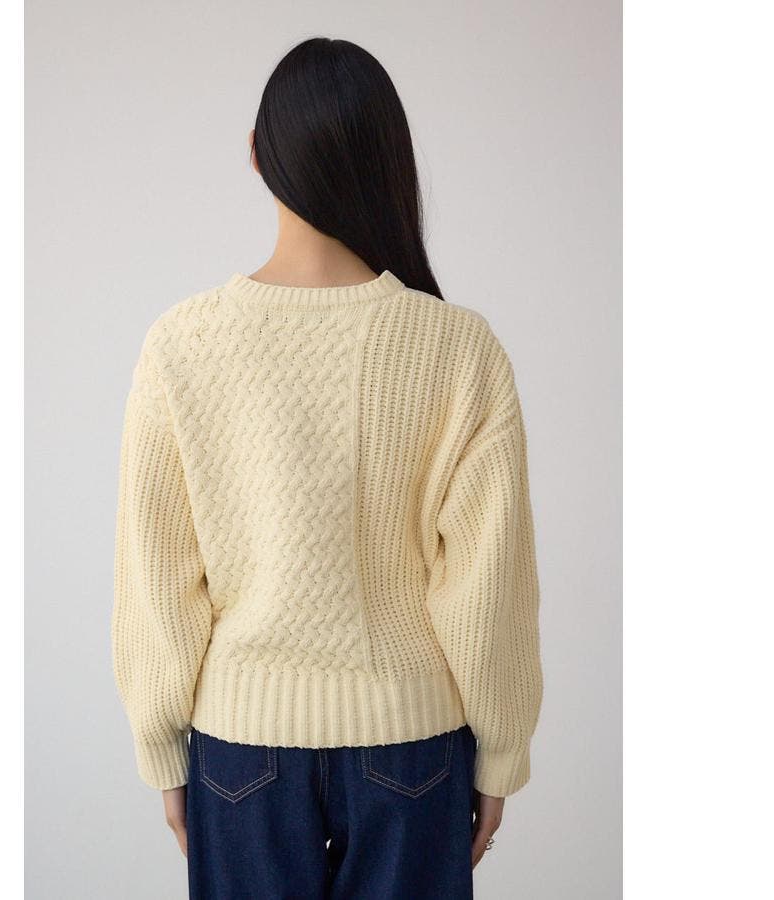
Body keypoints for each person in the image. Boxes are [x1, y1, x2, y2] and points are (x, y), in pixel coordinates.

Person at [112, 36, 543, 899]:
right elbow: (487, 585)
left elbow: (157, 573)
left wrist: (161, 747)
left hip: (240, 751)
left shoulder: (182, 345)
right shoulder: (458, 348)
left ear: (256, 153)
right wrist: (501, 752)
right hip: (413, 746)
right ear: (388, 161)